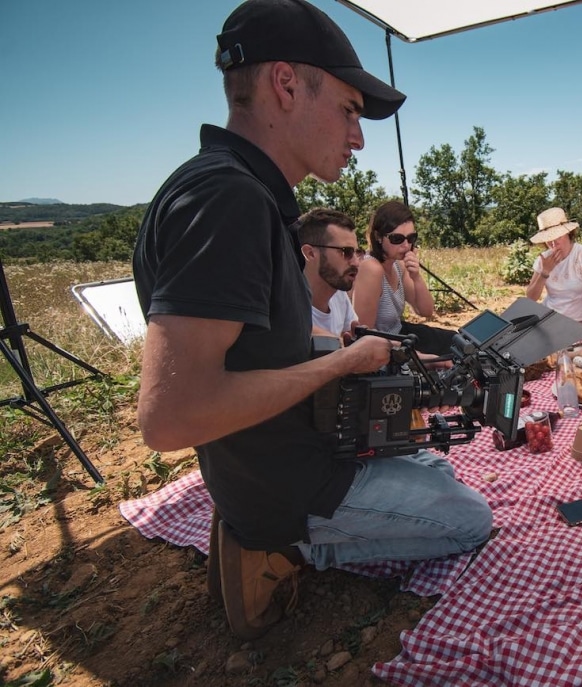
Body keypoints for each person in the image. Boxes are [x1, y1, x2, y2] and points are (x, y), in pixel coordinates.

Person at [132, 0, 492, 641]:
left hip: (298, 447)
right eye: (350, 111)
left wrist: (350, 351)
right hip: (290, 483)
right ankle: (285, 550)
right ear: (286, 83)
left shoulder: (238, 191)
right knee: (469, 518)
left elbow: (253, 350)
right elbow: (170, 416)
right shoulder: (228, 200)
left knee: (433, 456)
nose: (357, 136)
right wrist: (345, 361)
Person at [352, 200, 455, 356]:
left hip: (399, 331)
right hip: (383, 346)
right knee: (448, 357)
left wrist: (416, 277)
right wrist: (419, 358)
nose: (406, 246)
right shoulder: (371, 268)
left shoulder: (397, 265)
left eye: (411, 238)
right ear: (379, 237)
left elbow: (425, 311)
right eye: (397, 239)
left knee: (457, 341)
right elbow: (364, 334)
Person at [525, 207, 582, 339]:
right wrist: (545, 272)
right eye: (549, 239)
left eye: (557, 236)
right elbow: (531, 297)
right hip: (546, 318)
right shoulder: (544, 259)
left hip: (574, 323)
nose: (553, 243)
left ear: (568, 233)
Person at [298, 207, 359, 340]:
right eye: (346, 252)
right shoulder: (287, 305)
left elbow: (350, 335)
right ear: (310, 253)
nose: (356, 262)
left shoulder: (339, 295)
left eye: (357, 253)